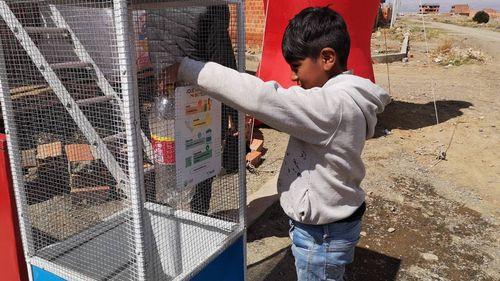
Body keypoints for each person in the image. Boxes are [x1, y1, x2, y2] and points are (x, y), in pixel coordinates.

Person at [167, 6, 390, 280]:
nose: (294, 77)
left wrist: (186, 69)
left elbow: (265, 97)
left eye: (297, 67)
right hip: (331, 227)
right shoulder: (345, 99)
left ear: (327, 58)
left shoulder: (332, 107)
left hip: (321, 235)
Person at [146, 6, 239, 215]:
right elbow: (222, 62)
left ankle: (169, 219)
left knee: (169, 165)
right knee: (202, 164)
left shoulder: (151, 7)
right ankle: (198, 218)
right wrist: (235, 113)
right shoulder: (211, 6)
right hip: (200, 101)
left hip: (166, 98)